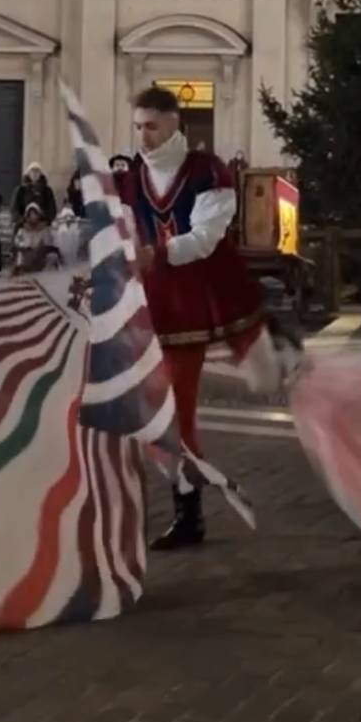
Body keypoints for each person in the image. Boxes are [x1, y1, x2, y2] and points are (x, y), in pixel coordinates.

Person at [114, 85, 266, 551]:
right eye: (138, 126)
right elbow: (121, 234)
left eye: (152, 126)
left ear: (174, 123)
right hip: (139, 307)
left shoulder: (207, 172)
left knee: (176, 415)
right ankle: (135, 507)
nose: (143, 135)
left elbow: (206, 238)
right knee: (134, 412)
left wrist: (154, 252)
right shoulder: (127, 178)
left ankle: (189, 514)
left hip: (185, 309)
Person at [12, 202, 60, 275]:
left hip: (41, 257)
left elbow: (49, 243)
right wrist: (25, 246)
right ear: (27, 216)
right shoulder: (22, 230)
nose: (33, 216)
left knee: (52, 256)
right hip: (27, 257)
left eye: (35, 214)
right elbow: (18, 242)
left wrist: (42, 247)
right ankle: (20, 272)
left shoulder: (45, 229)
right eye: (31, 214)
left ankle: (47, 275)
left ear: (39, 215)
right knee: (20, 255)